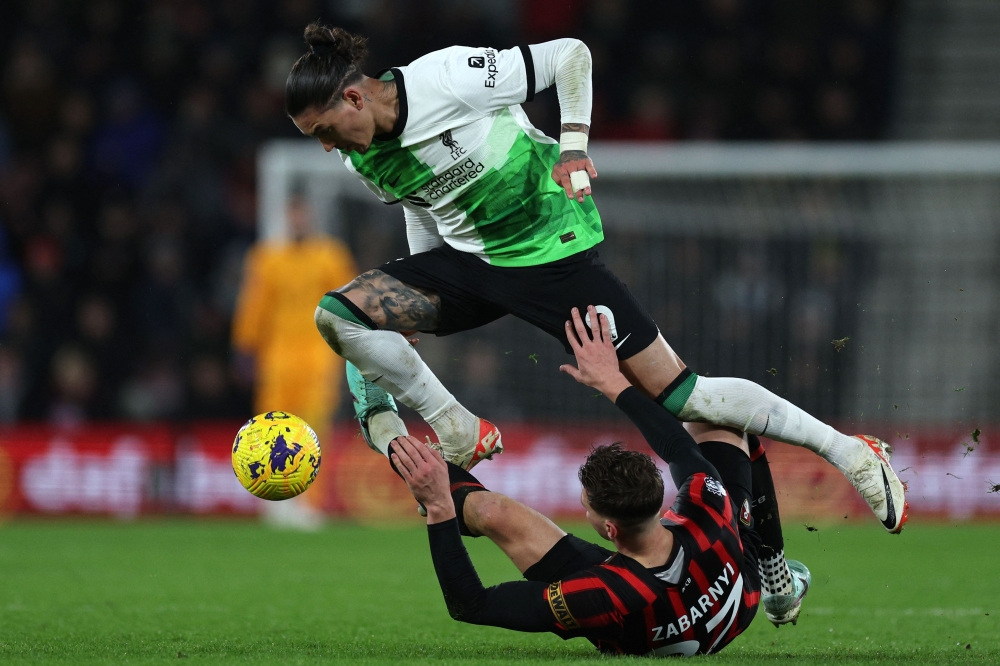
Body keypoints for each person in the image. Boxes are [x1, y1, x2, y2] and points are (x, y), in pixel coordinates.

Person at [286, 24, 907, 533]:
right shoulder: (357, 153)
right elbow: (423, 205)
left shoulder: (445, 78)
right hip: (470, 264)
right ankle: (454, 424)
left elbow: (568, 56)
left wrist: (573, 144)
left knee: (684, 396)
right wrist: (414, 295)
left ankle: (850, 453)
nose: (325, 147)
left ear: (355, 99)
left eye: (323, 130)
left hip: (550, 253)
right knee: (338, 316)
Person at [381, 307, 812, 656]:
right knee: (725, 419)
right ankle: (775, 572)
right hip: (740, 591)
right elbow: (679, 447)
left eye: (585, 503)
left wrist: (439, 508)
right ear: (666, 505)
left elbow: (470, 605)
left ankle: (381, 420)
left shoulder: (601, 593)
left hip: (641, 611)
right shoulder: (707, 508)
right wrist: (612, 382)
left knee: (477, 508)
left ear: (608, 529)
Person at [232, 195, 357, 527]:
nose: (299, 220)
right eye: (294, 214)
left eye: (304, 214)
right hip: (277, 358)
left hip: (318, 358)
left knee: (315, 431)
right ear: (287, 217)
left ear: (311, 217)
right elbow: (254, 304)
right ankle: (273, 499)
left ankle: (309, 503)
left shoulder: (330, 256)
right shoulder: (267, 258)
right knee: (270, 429)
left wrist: (356, 348)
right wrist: (244, 347)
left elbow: (349, 304)